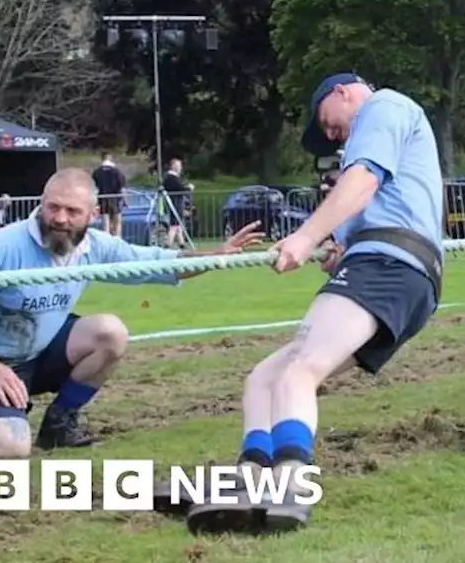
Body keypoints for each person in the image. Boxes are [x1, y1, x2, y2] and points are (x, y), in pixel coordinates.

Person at [183, 73, 444, 536]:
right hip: (395, 270)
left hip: (388, 265)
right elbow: (370, 203)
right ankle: (250, 480)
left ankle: (289, 488)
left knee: (297, 372)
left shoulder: (383, 107)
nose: (331, 136)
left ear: (343, 93)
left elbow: (362, 180)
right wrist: (337, 244)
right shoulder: (386, 131)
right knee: (262, 378)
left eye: (327, 122)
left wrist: (307, 236)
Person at [0, 169, 263, 460]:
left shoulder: (95, 246)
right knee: (9, 449)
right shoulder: (2, 246)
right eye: (53, 207)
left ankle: (60, 423)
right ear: (41, 204)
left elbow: (154, 263)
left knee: (110, 333)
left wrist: (215, 256)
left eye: (72, 211)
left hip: (42, 352)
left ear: (93, 214)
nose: (60, 219)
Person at [91, 152, 127, 238]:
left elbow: (94, 188)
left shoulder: (97, 172)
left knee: (105, 223)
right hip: (115, 199)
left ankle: (106, 240)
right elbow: (122, 188)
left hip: (102, 199)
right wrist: (125, 200)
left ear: (102, 159)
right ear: (111, 159)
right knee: (117, 221)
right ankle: (117, 239)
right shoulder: (117, 172)